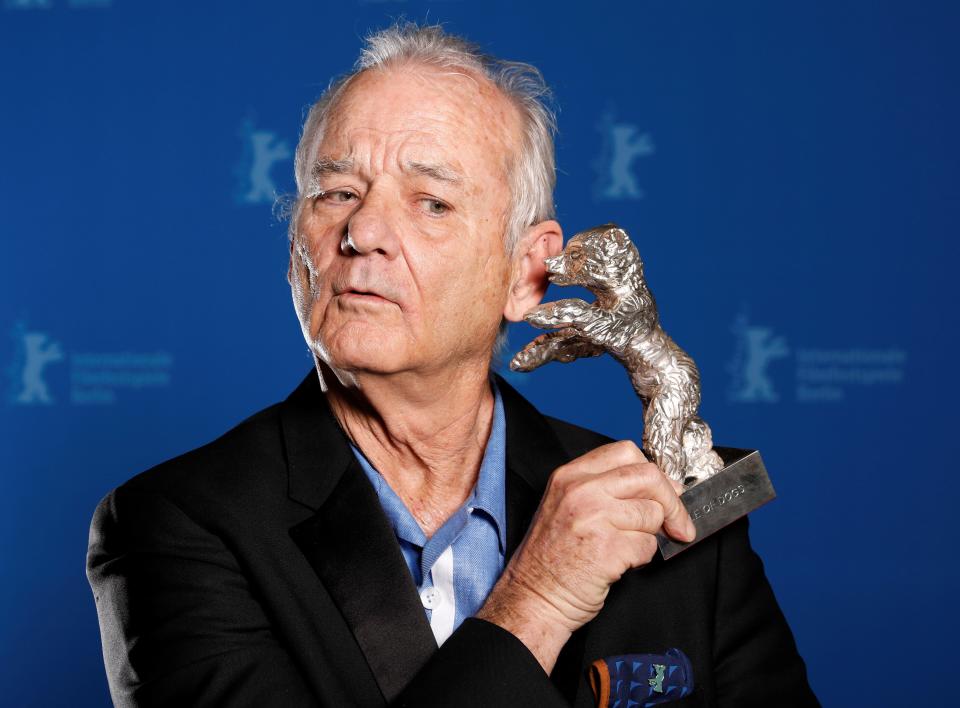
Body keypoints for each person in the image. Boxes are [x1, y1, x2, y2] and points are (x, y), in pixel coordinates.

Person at [86, 21, 818, 708]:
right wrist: (537, 599)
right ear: (296, 244)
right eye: (337, 193)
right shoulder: (176, 525)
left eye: (431, 202)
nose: (363, 232)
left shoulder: (666, 516)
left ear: (527, 274)